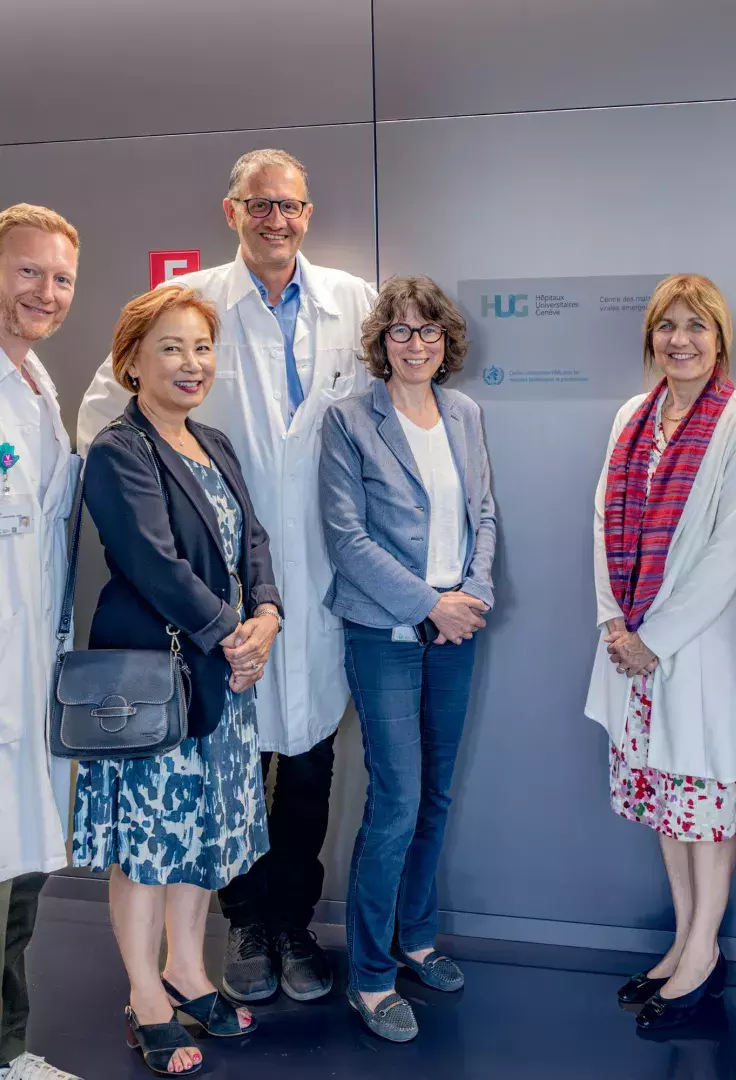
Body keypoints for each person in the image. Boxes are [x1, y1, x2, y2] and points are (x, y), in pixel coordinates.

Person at [76, 149, 377, 1005]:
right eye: (259, 204)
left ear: (307, 213)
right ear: (232, 211)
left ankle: (293, 921)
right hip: (214, 592)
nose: (276, 219)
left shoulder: (353, 302)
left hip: (309, 578)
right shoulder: (193, 301)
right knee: (233, 767)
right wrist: (153, 512)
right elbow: (103, 417)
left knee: (310, 761)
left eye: (290, 205)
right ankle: (244, 922)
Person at [72, 286, 281, 1075]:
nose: (192, 363)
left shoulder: (213, 442)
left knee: (201, 833)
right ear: (131, 363)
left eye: (201, 347)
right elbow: (151, 562)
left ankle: (187, 973)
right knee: (147, 843)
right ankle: (146, 998)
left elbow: (252, 540)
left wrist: (268, 613)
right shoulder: (118, 450)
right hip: (154, 681)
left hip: (220, 676)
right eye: (171, 347)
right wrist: (233, 633)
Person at [586, 273, 736, 1032]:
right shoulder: (632, 417)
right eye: (667, 326)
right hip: (630, 647)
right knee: (666, 800)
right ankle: (683, 941)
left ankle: (702, 952)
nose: (681, 340)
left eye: (697, 326)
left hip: (699, 650)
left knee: (705, 804)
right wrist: (614, 625)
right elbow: (602, 521)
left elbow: (729, 554)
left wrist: (653, 642)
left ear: (719, 339)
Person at [319, 275, 496, 1042]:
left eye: (428, 331)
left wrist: (471, 598)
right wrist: (430, 605)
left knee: (436, 798)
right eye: (401, 331)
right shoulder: (349, 421)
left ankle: (416, 938)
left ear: (445, 341)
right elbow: (347, 539)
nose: (416, 344)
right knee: (394, 802)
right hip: (385, 634)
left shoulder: (465, 413)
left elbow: (484, 514)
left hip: (458, 630)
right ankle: (370, 976)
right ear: (381, 341)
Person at [0, 204, 84, 1080]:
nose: (46, 292)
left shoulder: (36, 384)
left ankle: (9, 1048)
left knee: (22, 864)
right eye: (28, 271)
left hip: (28, 666)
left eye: (61, 278)